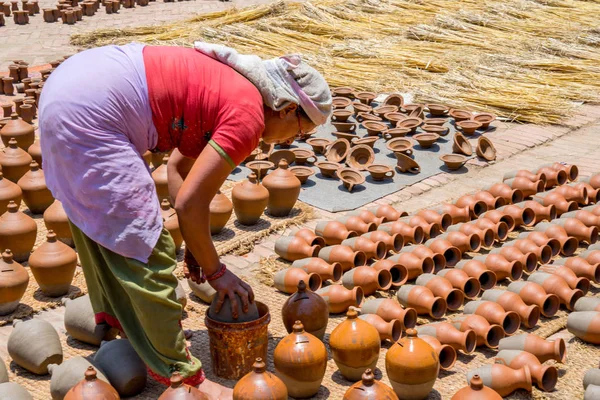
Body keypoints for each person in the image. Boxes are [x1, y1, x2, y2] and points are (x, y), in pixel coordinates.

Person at [39, 42, 331, 398]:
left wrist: (197, 247)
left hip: (73, 86)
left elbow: (179, 168)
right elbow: (191, 202)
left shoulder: (235, 91)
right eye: (302, 131)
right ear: (286, 109)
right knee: (145, 242)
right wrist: (216, 270)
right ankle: (181, 373)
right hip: (91, 110)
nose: (295, 140)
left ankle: (131, 328)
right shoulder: (249, 116)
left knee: (106, 221)